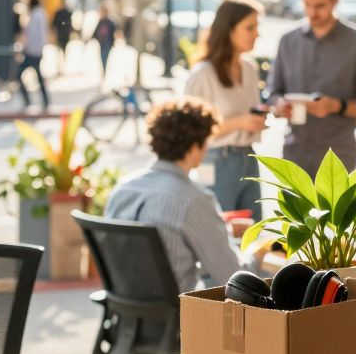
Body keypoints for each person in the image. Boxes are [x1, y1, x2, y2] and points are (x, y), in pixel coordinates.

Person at [103, 97, 260, 291]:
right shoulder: (193, 200)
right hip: (178, 317)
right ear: (195, 146)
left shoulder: (123, 189)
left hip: (125, 312)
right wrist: (258, 253)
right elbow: (233, 276)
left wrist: (222, 228)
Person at [268, 0, 356, 173]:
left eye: (320, 5)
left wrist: (335, 106)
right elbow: (273, 92)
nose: (312, 12)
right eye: (307, 4)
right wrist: (280, 104)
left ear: (335, 1)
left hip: (338, 158)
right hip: (294, 153)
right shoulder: (288, 41)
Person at [184, 0, 271, 218]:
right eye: (249, 28)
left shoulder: (250, 69)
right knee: (218, 232)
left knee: (254, 233)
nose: (257, 34)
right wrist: (240, 122)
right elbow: (190, 130)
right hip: (215, 162)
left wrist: (260, 119)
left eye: (256, 27)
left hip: (249, 160)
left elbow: (251, 111)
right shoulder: (203, 74)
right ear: (229, 29)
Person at [16, 0, 50, 111]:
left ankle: (29, 102)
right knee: (38, 77)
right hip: (36, 51)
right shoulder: (40, 14)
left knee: (20, 74)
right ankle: (45, 102)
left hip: (32, 52)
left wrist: (26, 47)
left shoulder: (35, 16)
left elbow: (34, 34)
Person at [90, 2, 117, 82]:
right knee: (102, 56)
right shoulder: (100, 21)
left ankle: (105, 70)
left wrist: (113, 42)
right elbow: (95, 32)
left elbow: (113, 32)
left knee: (105, 56)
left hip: (108, 43)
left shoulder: (110, 22)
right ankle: (103, 70)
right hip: (101, 42)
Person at [51, 0, 74, 75]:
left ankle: (62, 66)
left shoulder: (67, 13)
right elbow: (54, 24)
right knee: (59, 50)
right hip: (61, 34)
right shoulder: (59, 13)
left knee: (63, 50)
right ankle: (59, 66)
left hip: (64, 34)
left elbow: (70, 24)